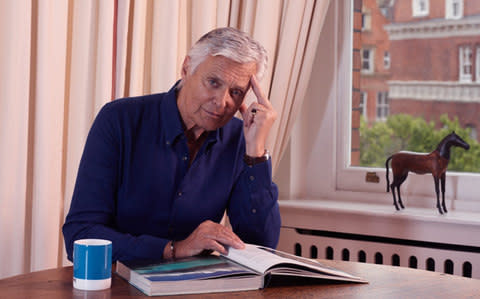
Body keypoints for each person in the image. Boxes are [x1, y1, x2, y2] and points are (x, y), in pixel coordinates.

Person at [62, 27, 281, 262]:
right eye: (213, 82)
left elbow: (261, 246)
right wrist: (173, 249)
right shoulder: (120, 119)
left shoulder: (240, 139)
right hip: (117, 284)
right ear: (186, 69)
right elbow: (80, 236)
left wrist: (256, 153)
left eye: (236, 92)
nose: (222, 102)